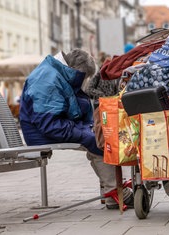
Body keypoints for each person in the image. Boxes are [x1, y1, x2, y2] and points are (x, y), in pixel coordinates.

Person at [19, 49, 133, 209]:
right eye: (84, 77)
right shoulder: (48, 79)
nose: (84, 81)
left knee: (101, 134)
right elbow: (49, 125)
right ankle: (115, 192)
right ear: (76, 70)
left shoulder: (55, 73)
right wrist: (83, 131)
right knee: (98, 139)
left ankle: (111, 190)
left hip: (49, 126)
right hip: (41, 132)